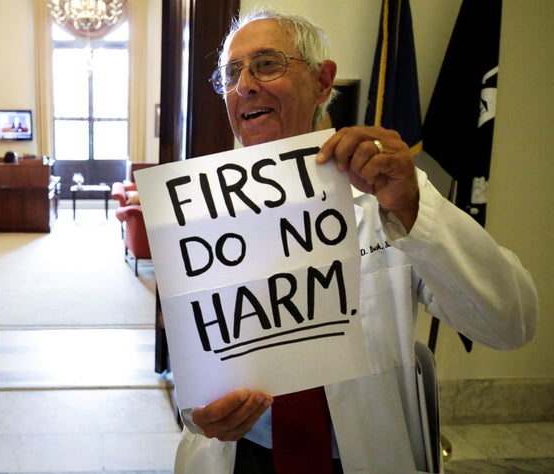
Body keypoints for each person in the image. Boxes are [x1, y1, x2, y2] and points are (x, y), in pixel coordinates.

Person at [173, 7, 538, 474]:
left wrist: (412, 210)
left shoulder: (389, 194)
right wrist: (199, 413)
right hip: (241, 456)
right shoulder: (196, 211)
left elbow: (510, 323)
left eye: (266, 64)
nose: (244, 85)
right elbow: (195, 364)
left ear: (323, 82)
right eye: (231, 73)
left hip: (362, 457)